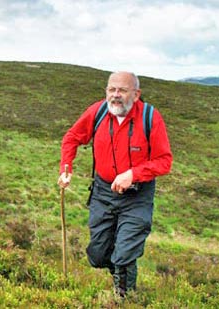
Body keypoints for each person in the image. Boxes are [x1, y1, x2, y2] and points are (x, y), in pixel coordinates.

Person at [57, 71, 172, 297]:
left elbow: (164, 161)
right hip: (103, 191)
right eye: (112, 89)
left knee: (125, 252)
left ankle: (124, 296)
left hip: (137, 196)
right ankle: (120, 270)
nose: (116, 95)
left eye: (122, 90)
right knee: (98, 255)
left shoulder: (150, 118)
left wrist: (134, 174)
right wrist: (65, 169)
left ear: (136, 94)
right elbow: (71, 138)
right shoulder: (98, 112)